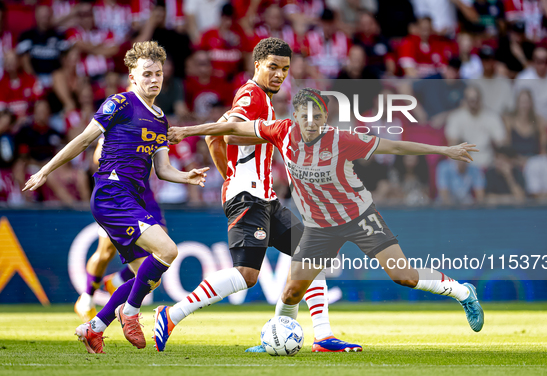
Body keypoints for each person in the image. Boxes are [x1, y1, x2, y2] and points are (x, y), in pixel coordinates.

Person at [168, 87, 484, 341]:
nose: (311, 123)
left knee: (403, 275)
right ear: (295, 117)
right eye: (305, 116)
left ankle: (462, 291)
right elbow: (232, 127)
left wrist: (445, 151)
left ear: (325, 118)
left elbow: (395, 148)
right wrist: (188, 130)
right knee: (292, 291)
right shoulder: (281, 131)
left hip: (359, 216)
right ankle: (280, 337)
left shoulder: (341, 139)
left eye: (317, 117)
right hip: (320, 227)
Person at [154, 38, 360, 354]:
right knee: (247, 275)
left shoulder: (260, 98)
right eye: (273, 67)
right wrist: (229, 175)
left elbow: (217, 133)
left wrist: (227, 171)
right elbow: (224, 129)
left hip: (265, 197)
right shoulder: (251, 95)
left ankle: (322, 336)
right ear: (257, 65)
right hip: (247, 197)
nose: (279, 74)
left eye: (285, 69)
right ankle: (172, 314)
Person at [22, 41, 209, 354]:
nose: (154, 79)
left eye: (158, 73)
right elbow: (83, 141)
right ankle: (130, 312)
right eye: (146, 73)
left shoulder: (161, 119)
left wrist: (185, 176)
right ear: (133, 77)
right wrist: (45, 170)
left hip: (131, 198)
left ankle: (94, 328)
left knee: (145, 277)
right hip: (111, 193)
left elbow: (162, 169)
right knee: (167, 250)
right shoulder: (120, 103)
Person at [74, 137, 167, 322]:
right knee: (105, 252)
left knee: (163, 244)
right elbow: (97, 158)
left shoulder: (153, 124)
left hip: (144, 194)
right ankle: (87, 298)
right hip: (118, 194)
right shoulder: (119, 124)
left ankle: (116, 282)